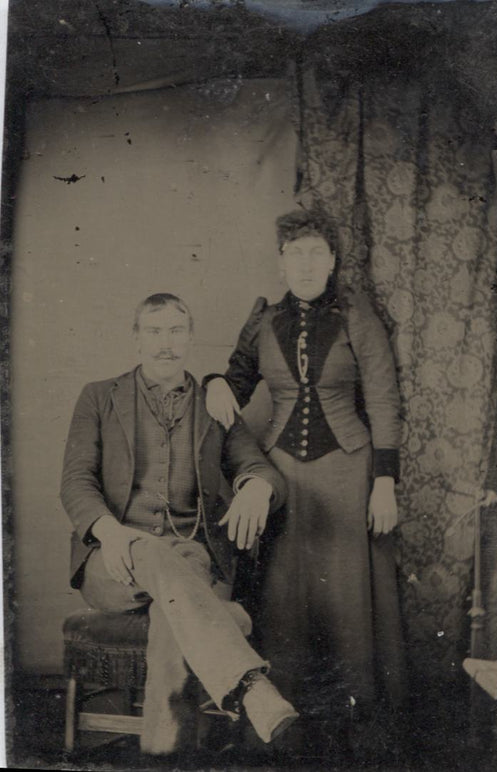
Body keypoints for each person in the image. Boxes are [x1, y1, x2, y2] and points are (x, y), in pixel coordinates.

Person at [60, 292, 299, 756]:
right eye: (153, 331)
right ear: (136, 339)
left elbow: (263, 469)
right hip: (113, 560)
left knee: (178, 586)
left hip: (188, 554)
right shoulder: (98, 397)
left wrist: (255, 488)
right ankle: (250, 685)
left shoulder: (216, 406)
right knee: (170, 569)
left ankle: (162, 754)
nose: (164, 344)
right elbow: (75, 481)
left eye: (175, 331)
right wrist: (109, 532)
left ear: (190, 337)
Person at [205, 210, 407, 752]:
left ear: (334, 260)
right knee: (283, 600)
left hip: (349, 471)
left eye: (317, 252)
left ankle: (355, 723)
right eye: (295, 253)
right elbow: (236, 379)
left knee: (345, 600)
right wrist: (212, 382)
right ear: (281, 261)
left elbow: (385, 400)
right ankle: (282, 721)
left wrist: (384, 482)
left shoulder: (356, 315)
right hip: (282, 476)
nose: (306, 263)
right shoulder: (262, 318)